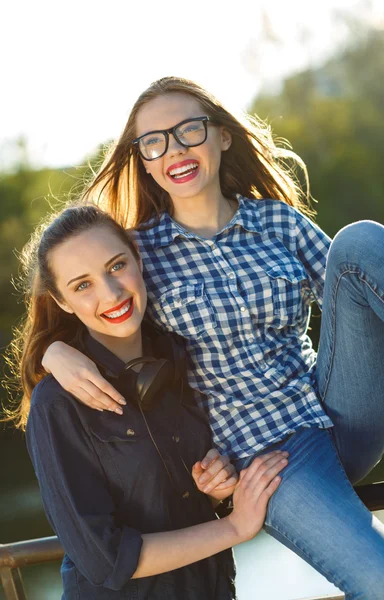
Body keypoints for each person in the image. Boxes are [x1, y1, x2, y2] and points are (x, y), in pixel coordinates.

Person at [42, 77, 384, 598]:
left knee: (361, 240)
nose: (175, 150)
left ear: (222, 137)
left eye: (189, 130)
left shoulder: (278, 222)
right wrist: (54, 354)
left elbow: (358, 295)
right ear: (143, 160)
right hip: (268, 458)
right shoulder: (139, 255)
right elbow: (83, 313)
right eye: (155, 142)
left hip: (340, 408)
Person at [4, 204, 288, 599]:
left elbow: (173, 493)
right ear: (62, 301)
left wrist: (215, 487)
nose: (112, 293)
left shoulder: (179, 354)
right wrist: (235, 528)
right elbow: (106, 559)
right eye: (82, 285)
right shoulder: (57, 403)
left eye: (116, 266)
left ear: (138, 258)